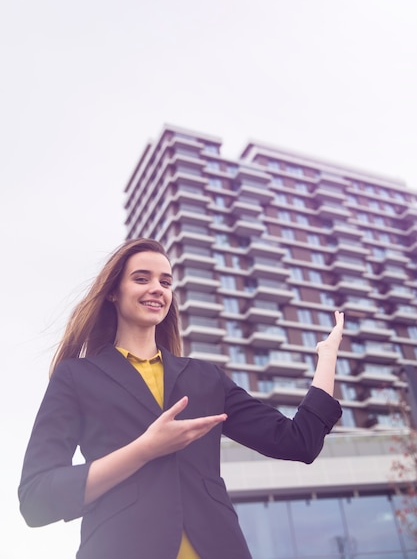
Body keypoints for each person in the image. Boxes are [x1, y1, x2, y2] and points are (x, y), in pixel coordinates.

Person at [18, 237, 343, 559]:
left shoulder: (205, 378)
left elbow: (298, 441)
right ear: (114, 292)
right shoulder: (77, 377)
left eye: (166, 281)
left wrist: (327, 358)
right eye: (141, 278)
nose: (157, 288)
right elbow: (36, 498)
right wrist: (144, 450)